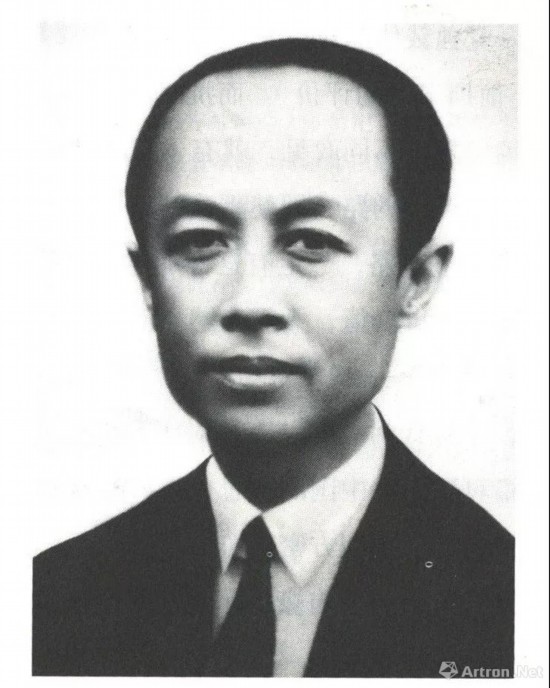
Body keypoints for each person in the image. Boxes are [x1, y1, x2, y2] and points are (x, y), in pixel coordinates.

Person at [32, 38, 514, 677]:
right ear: (148, 281)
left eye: (311, 241)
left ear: (415, 280)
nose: (250, 302)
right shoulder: (54, 597)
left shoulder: (508, 597)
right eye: (199, 242)